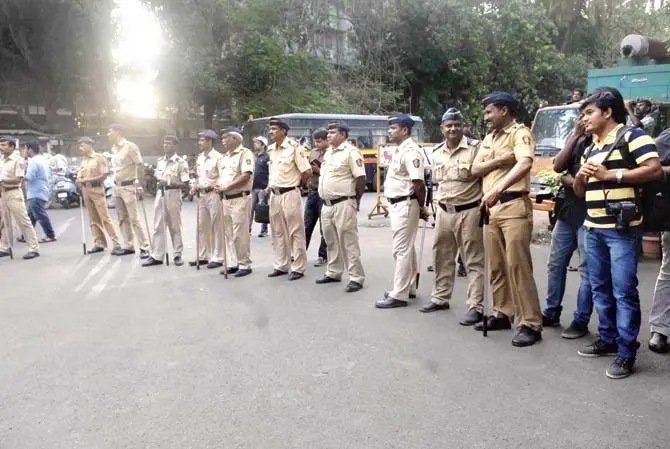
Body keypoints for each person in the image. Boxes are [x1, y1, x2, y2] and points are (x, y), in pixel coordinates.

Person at [573, 87, 661, 379]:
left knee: (623, 291)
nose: (584, 119)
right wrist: (581, 178)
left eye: (589, 113)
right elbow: (580, 190)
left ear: (607, 112)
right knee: (599, 287)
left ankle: (626, 352)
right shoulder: (591, 145)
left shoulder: (634, 137)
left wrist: (612, 175)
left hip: (622, 230)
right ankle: (608, 339)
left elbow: (654, 169)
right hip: (593, 227)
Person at [471, 91, 543, 347]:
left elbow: (524, 163)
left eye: (489, 111)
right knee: (497, 264)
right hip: (491, 209)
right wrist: (501, 159)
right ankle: (503, 312)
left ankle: (530, 322)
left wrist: (497, 189)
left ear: (504, 110)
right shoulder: (489, 138)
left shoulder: (520, 133)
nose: (486, 116)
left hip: (512, 204)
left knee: (518, 266)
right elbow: (475, 169)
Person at [419, 108, 485, 325]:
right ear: (442, 128)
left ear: (463, 126)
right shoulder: (436, 152)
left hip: (469, 211)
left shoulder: (476, 148)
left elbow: (485, 179)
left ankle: (475, 306)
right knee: (441, 257)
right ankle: (440, 298)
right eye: (449, 125)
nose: (453, 129)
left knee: (473, 261)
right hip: (444, 212)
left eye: (457, 125)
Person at [541, 117, 594, 339]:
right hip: (568, 212)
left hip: (592, 214)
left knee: (587, 271)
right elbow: (558, 166)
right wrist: (574, 135)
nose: (585, 119)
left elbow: (592, 180)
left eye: (589, 113)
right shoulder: (579, 140)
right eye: (582, 115)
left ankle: (581, 320)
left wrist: (572, 181)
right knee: (556, 264)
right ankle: (551, 311)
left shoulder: (607, 143)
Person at [376, 114, 428, 309]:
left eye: (393, 128)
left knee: (401, 250)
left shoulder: (411, 152)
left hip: (406, 204)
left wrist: (422, 207)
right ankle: (410, 288)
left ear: (404, 130)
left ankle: (399, 294)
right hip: (398, 204)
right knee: (408, 248)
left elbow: (418, 184)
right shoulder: (399, 150)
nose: (389, 131)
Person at [315, 120, 366, 293]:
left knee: (348, 241)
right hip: (327, 205)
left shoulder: (351, 153)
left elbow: (360, 179)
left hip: (344, 202)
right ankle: (334, 272)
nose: (328, 136)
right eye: (328, 133)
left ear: (343, 135)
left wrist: (355, 200)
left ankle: (356, 277)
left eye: (332, 132)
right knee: (331, 240)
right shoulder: (329, 152)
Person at [265, 117, 312, 281]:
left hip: (290, 193)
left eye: (274, 129)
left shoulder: (294, 148)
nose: (271, 132)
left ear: (283, 131)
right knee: (277, 231)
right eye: (270, 129)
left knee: (295, 232)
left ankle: (298, 267)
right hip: (275, 194)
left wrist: (298, 185)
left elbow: (306, 171)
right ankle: (281, 265)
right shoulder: (271, 149)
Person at [142, 135, 190, 267]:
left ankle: (177, 254)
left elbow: (186, 184)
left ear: (175, 146)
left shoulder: (181, 163)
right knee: (158, 225)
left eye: (169, 144)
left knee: (174, 225)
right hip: (160, 194)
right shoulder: (160, 161)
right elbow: (157, 178)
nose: (166, 146)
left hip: (173, 193)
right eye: (164, 143)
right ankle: (157, 255)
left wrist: (168, 182)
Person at [217, 126, 255, 277]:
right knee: (228, 233)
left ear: (235, 138)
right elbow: (223, 176)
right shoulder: (224, 157)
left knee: (239, 233)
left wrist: (227, 186)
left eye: (226, 137)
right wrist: (219, 185)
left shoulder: (245, 153)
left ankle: (244, 264)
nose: (223, 140)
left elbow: (246, 175)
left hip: (239, 198)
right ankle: (233, 262)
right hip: (225, 199)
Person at [108, 124, 150, 258]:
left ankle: (145, 247)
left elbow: (139, 165)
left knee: (134, 218)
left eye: (110, 132)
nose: (108, 134)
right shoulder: (114, 148)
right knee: (122, 218)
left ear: (117, 132)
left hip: (128, 186)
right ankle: (128, 245)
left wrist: (139, 185)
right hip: (116, 187)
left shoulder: (130, 146)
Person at [75, 137, 121, 254]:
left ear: (90, 145)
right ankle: (99, 243)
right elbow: (80, 175)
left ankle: (116, 244)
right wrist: (79, 180)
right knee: (93, 219)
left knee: (105, 218)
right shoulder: (84, 160)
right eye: (80, 146)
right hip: (86, 190)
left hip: (97, 189)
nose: (80, 148)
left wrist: (87, 179)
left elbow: (104, 175)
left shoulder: (100, 158)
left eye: (82, 146)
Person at [190, 129, 225, 269]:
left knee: (217, 226)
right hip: (201, 194)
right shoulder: (200, 157)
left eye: (202, 140)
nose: (199, 142)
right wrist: (195, 186)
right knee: (202, 226)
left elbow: (223, 176)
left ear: (210, 141)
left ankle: (218, 257)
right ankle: (203, 255)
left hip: (213, 194)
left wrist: (218, 187)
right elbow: (199, 176)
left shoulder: (218, 158)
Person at [0, 136, 39, 259]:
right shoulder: (2, 160)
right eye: (1, 145)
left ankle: (34, 248)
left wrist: (2, 181)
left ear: (12, 146)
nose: (1, 147)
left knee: (23, 221)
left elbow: (19, 179)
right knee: (5, 222)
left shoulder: (18, 160)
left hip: (14, 193)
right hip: (3, 193)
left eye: (4, 145)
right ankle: (5, 247)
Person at [24, 141, 56, 243]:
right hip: (41, 189)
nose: (24, 151)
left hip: (36, 191)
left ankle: (50, 235)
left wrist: (18, 176)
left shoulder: (33, 161)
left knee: (39, 214)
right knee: (31, 215)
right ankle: (27, 235)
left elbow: (29, 177)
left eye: (25, 149)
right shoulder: (43, 159)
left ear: (30, 150)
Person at [305, 128, 328, 267]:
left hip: (323, 192)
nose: (317, 144)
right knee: (306, 224)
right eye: (315, 141)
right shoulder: (313, 152)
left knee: (323, 227)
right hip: (312, 190)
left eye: (319, 141)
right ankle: (300, 253)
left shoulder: (331, 154)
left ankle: (323, 255)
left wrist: (319, 170)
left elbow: (330, 174)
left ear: (326, 140)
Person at [250, 136, 270, 237]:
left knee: (262, 208)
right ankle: (248, 229)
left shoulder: (267, 157)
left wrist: (268, 187)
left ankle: (264, 230)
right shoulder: (255, 157)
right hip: (253, 187)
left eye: (257, 143)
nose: (255, 145)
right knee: (251, 209)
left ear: (263, 145)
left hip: (263, 187)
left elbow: (271, 172)